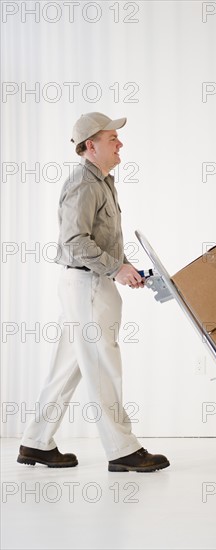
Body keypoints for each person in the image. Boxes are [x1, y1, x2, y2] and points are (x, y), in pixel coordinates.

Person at [17, 112, 170, 473]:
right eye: (112, 138)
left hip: (88, 284)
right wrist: (116, 269)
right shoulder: (84, 184)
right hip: (87, 287)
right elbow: (73, 242)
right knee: (103, 364)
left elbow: (100, 239)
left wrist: (127, 267)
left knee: (67, 367)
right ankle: (122, 450)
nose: (120, 143)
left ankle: (36, 442)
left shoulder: (102, 182)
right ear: (91, 146)